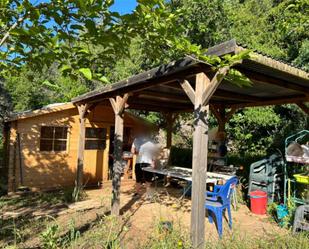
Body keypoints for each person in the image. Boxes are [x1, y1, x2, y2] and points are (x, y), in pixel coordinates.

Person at [131, 128, 158, 198]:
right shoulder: (152, 141)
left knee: (139, 179)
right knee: (147, 179)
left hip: (140, 162)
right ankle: (147, 194)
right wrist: (153, 162)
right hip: (146, 162)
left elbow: (132, 151)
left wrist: (138, 152)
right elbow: (154, 153)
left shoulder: (136, 140)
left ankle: (138, 193)